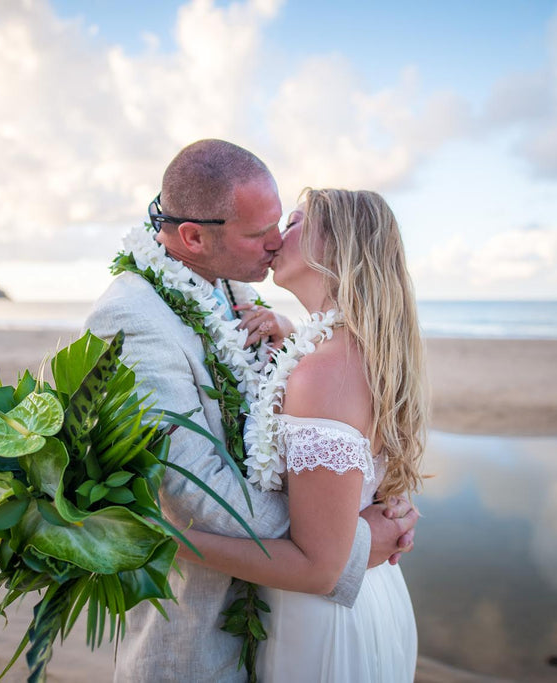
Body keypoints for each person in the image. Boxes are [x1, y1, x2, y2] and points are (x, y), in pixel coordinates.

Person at [84, 140, 418, 682]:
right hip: (202, 629)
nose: (274, 242)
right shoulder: (132, 317)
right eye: (259, 231)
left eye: (283, 222)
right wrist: (348, 541)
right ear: (193, 236)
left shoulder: (235, 285)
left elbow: (328, 428)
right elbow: (197, 495)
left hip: (293, 613)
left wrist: (372, 493)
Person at [178, 187, 427, 681]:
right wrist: (291, 335)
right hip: (358, 601)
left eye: (293, 222)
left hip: (324, 625)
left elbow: (318, 568)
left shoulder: (325, 371)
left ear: (336, 246)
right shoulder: (342, 348)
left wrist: (170, 541)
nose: (275, 235)